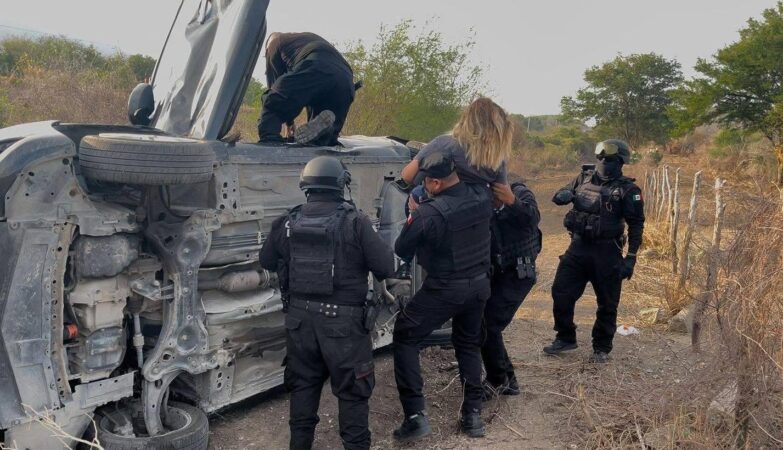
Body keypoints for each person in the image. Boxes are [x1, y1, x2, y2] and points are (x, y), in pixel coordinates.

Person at [259, 156, 395, 450]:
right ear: (340, 184)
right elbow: (386, 267)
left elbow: (266, 260)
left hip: (299, 323)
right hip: (343, 327)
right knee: (353, 394)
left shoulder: (287, 221)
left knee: (303, 389)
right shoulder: (355, 222)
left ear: (306, 185)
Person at [392, 151, 493, 441]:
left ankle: (415, 416)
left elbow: (402, 248)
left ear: (435, 183)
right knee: (468, 344)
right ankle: (473, 416)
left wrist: (414, 213)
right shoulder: (480, 194)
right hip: (479, 285)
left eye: (426, 183)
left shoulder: (429, 213)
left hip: (446, 288)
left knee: (406, 336)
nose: (423, 187)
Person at [544, 139, 645, 363]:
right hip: (578, 248)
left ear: (620, 162)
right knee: (560, 292)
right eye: (600, 157)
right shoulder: (584, 178)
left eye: (608, 159)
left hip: (607, 251)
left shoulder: (629, 190)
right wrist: (563, 195)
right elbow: (561, 194)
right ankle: (565, 337)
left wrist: (631, 258)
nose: (602, 161)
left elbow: (636, 225)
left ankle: (601, 347)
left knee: (608, 303)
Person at [481, 179, 541, 399]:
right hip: (497, 273)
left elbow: (532, 218)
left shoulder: (520, 192)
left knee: (489, 325)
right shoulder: (482, 200)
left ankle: (498, 380)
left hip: (518, 274)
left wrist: (512, 201)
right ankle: (507, 380)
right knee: (485, 325)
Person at [257, 32, 355, 146]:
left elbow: (276, 87)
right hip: (345, 79)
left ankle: (270, 140)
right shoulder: (302, 39)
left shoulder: (274, 41)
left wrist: (288, 124)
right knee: (320, 131)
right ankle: (325, 134)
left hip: (316, 65)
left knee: (272, 103)